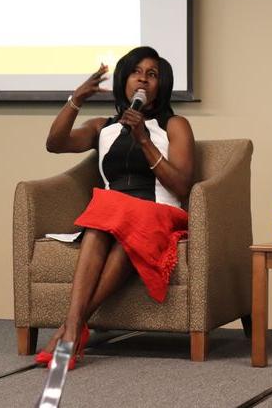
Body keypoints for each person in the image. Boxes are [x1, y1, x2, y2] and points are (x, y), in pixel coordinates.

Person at [35, 46, 195, 369]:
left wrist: (145, 140)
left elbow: (181, 186)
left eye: (153, 74)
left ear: (160, 86)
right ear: (125, 79)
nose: (144, 79)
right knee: (107, 222)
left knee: (114, 221)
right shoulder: (102, 128)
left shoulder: (174, 126)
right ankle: (75, 328)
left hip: (158, 213)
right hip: (112, 219)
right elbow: (55, 143)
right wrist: (76, 99)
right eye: (137, 71)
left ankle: (70, 328)